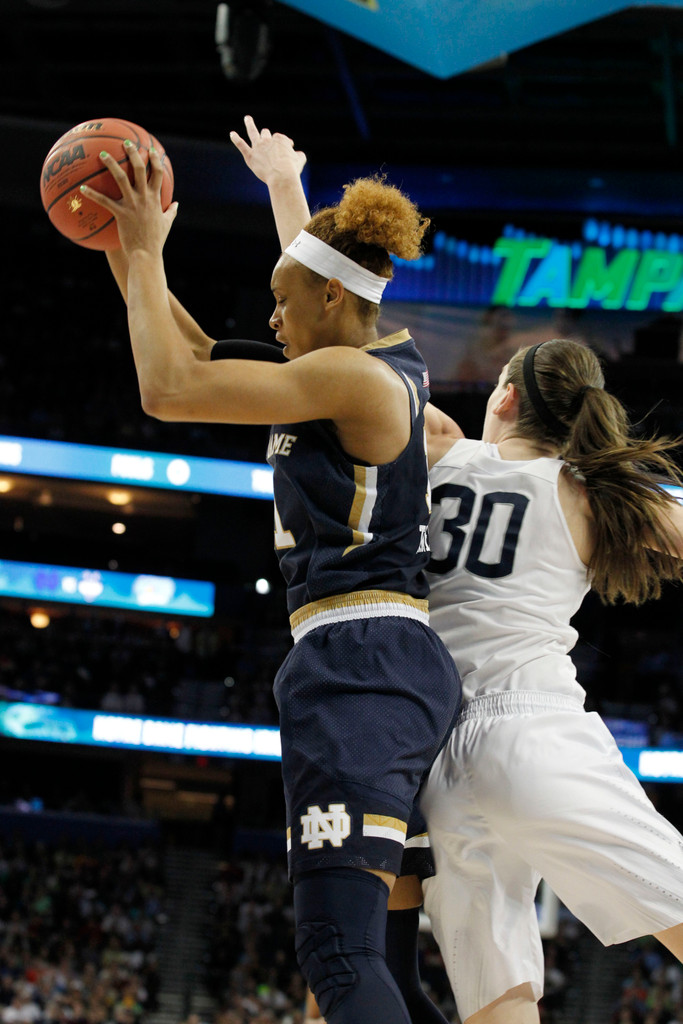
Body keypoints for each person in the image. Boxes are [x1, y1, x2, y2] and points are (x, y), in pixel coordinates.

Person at [79, 123, 461, 1024]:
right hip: (368, 665)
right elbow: (203, 354)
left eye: (281, 303)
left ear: (331, 300)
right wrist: (130, 256)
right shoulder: (341, 364)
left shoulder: (357, 382)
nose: (270, 318)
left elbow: (168, 389)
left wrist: (142, 249)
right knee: (385, 972)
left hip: (362, 663)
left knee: (336, 956)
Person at [420, 338, 683, 1024]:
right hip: (532, 731)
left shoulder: (434, 447)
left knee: (495, 990)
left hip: (434, 757)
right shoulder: (588, 492)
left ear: (503, 397)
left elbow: (340, 322)